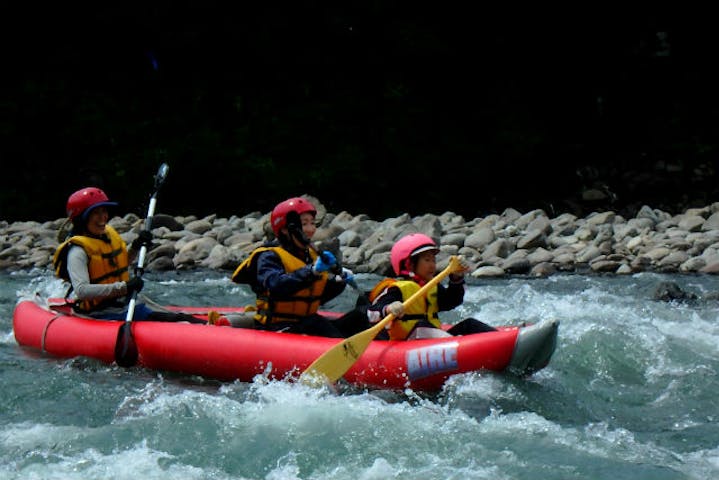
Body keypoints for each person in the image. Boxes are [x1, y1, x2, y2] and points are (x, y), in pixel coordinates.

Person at [52, 187, 205, 324]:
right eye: (95, 213)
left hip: (120, 303)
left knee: (179, 317)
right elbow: (82, 291)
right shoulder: (77, 251)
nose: (103, 217)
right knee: (179, 320)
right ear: (81, 219)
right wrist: (124, 287)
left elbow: (120, 263)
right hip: (100, 312)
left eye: (104, 211)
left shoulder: (105, 236)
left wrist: (136, 246)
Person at [230, 197, 369, 337]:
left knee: (361, 316)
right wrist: (312, 271)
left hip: (308, 321)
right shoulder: (268, 256)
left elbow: (316, 297)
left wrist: (338, 282)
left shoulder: (310, 256)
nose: (311, 229)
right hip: (278, 326)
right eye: (304, 224)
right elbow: (276, 286)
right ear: (285, 229)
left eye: (312, 223)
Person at [367, 233, 497, 340]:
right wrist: (388, 308)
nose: (432, 266)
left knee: (469, 325)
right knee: (421, 326)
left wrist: (456, 278)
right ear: (409, 265)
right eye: (427, 260)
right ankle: (451, 343)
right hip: (404, 342)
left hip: (432, 339)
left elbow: (451, 302)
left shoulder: (431, 287)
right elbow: (371, 312)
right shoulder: (395, 289)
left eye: (433, 260)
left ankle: (501, 342)